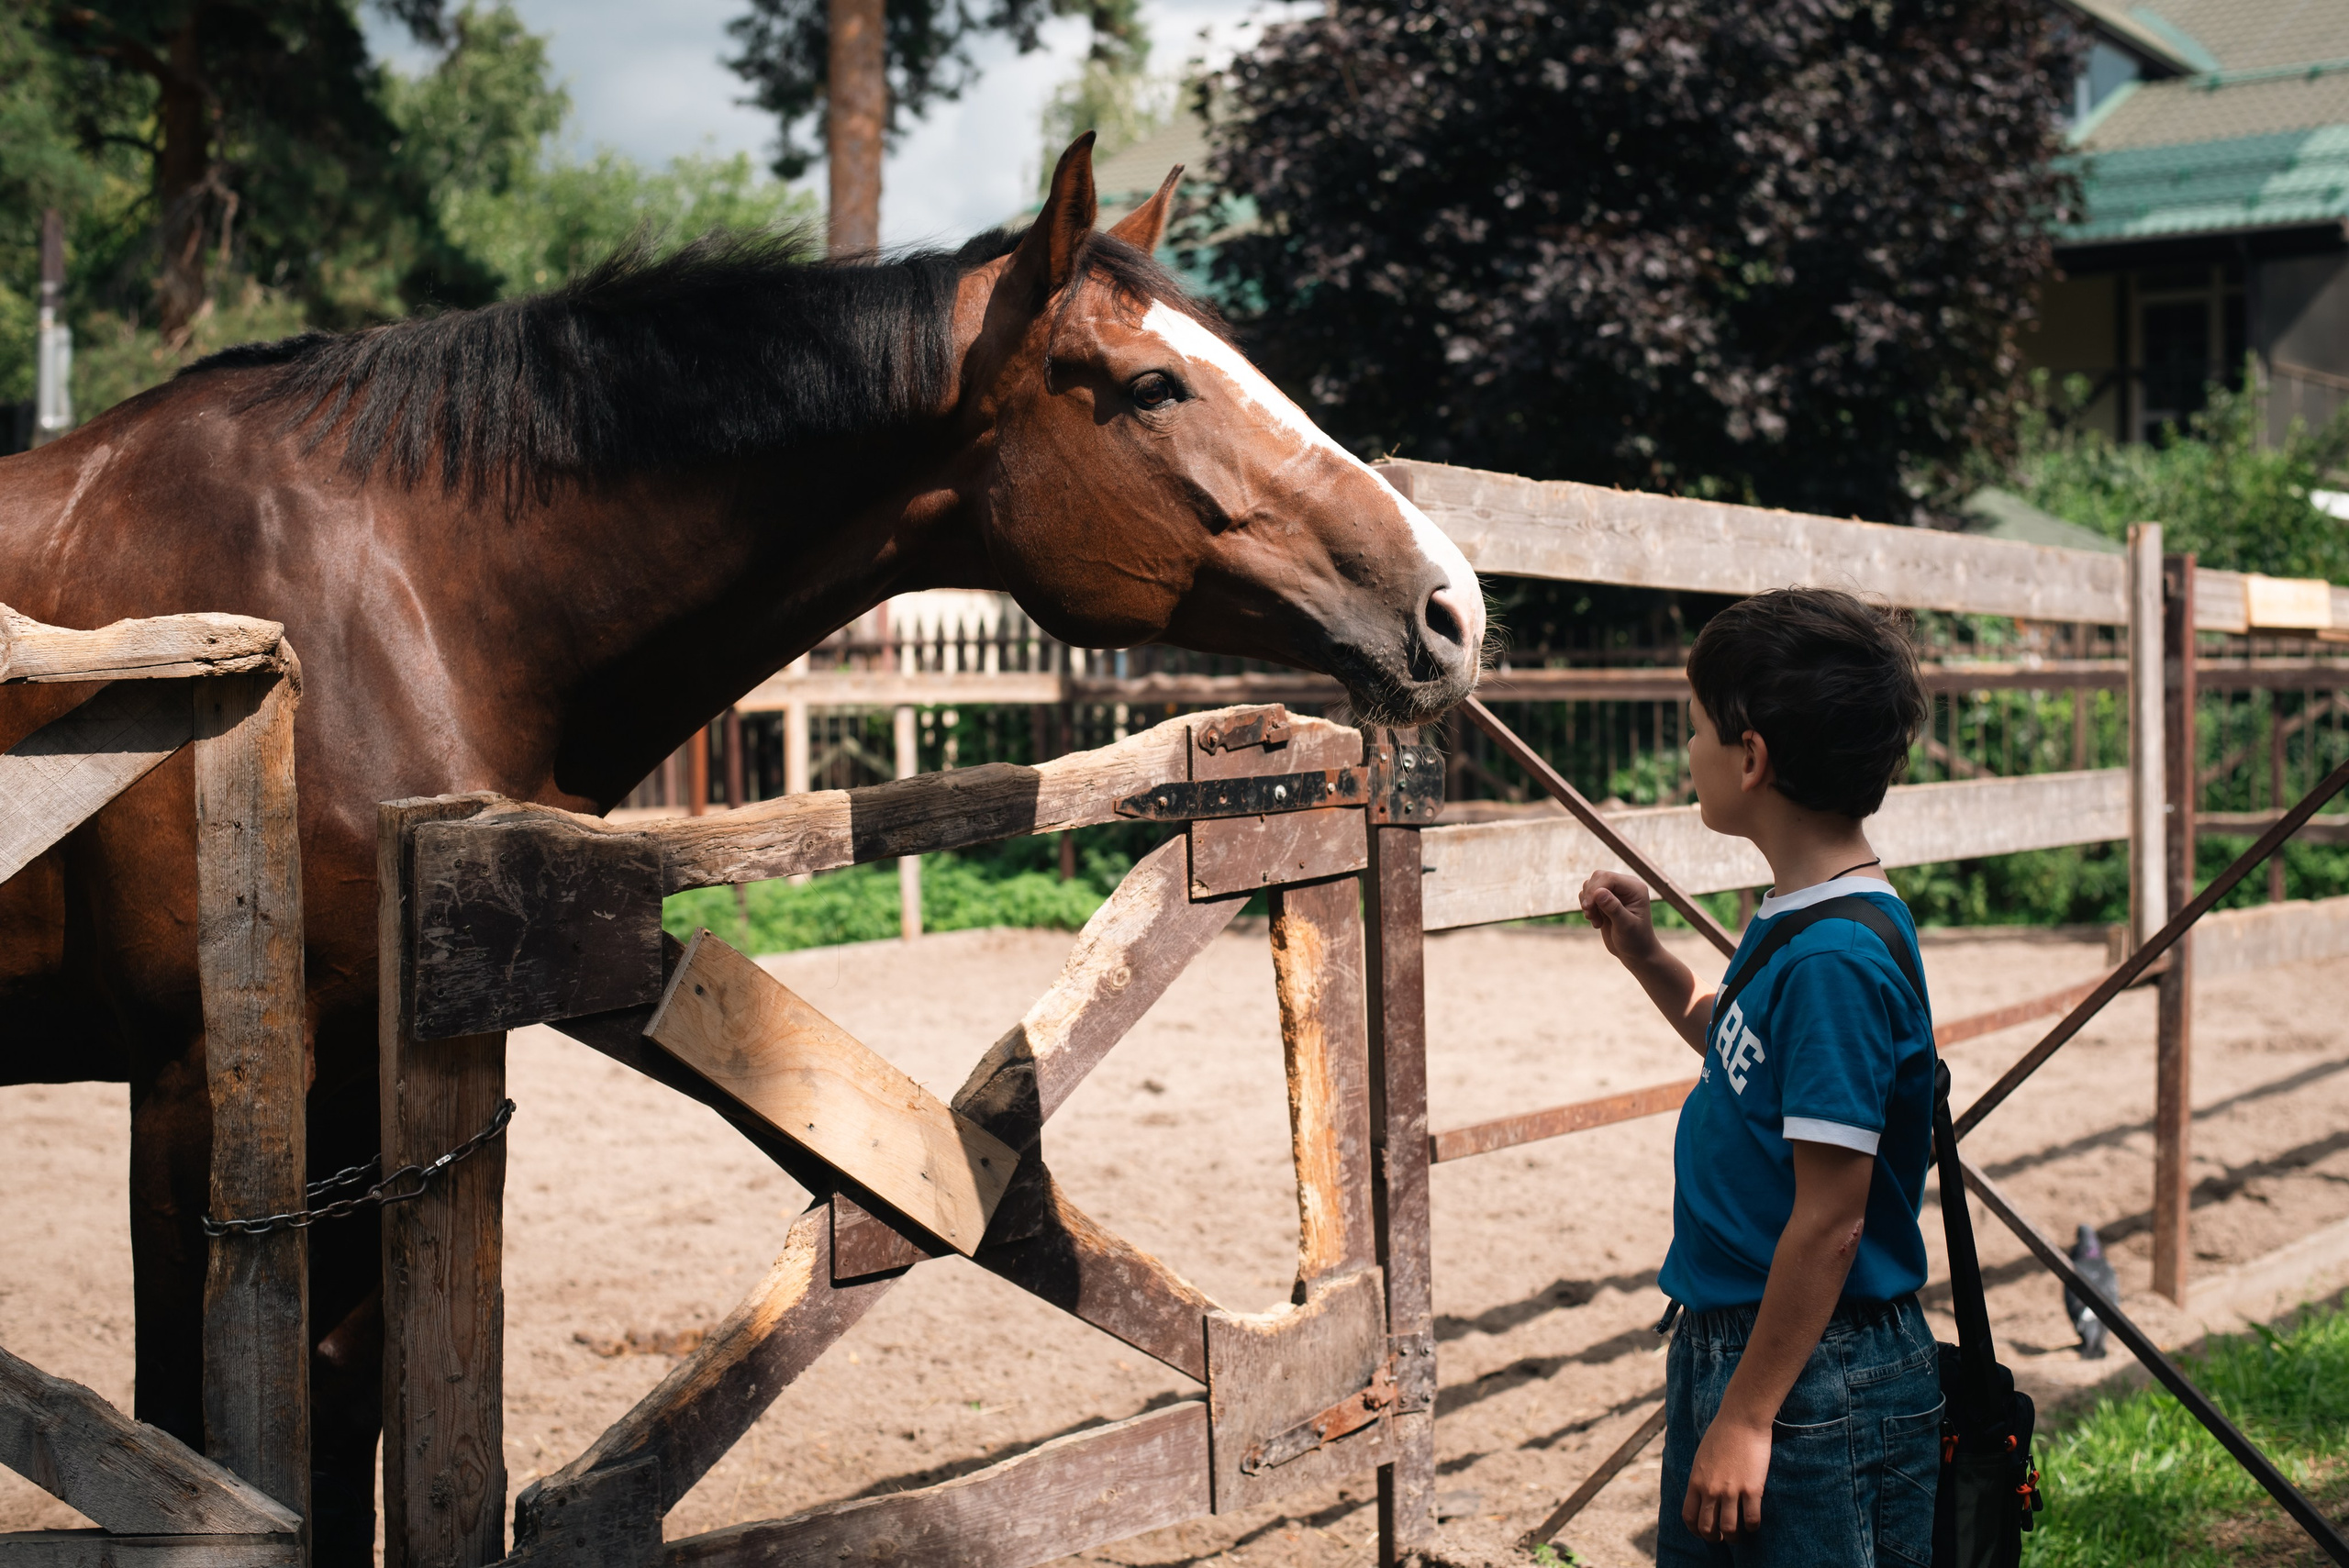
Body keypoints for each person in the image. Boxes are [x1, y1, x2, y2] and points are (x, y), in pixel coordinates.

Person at [1577, 587, 1939, 1567]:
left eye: (1695, 728)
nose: (1687, 750)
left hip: (1811, 1373)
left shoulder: (1832, 959)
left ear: (1751, 756)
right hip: (1755, 1348)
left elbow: (1832, 1217)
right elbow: (1742, 1050)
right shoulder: (1797, 915)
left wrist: (1745, 1415)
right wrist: (1646, 956)